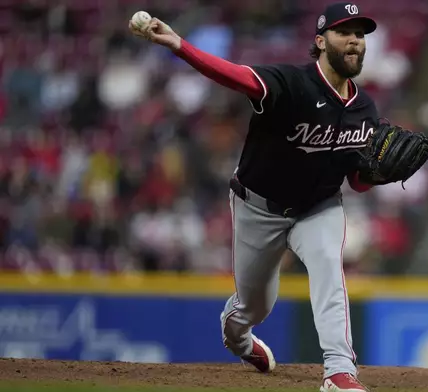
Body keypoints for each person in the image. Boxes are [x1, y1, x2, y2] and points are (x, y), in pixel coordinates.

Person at [130, 3, 380, 391]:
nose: (354, 41)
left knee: (329, 266)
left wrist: (378, 173)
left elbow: (359, 181)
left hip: (319, 207)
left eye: (360, 34)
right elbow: (236, 76)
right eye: (344, 32)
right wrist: (180, 45)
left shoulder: (365, 109)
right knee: (256, 304)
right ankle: (239, 333)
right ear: (320, 40)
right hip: (259, 206)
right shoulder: (290, 83)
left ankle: (339, 370)